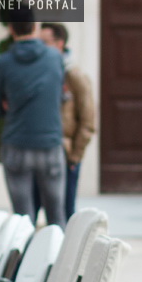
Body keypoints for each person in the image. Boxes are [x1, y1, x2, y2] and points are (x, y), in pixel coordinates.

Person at [0, 13, 66, 226]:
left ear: (11, 30)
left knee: (22, 219)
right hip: (49, 143)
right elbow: (59, 97)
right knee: (56, 214)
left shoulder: (3, 63)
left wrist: (9, 105)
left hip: (16, 144)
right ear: (35, 27)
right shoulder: (55, 58)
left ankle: (25, 259)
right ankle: (57, 257)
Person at [39, 23, 97, 222]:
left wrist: (75, 155)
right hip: (42, 150)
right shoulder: (41, 71)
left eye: (45, 42)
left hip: (65, 152)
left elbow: (88, 120)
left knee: (64, 211)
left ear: (60, 43)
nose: (40, 47)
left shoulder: (74, 76)